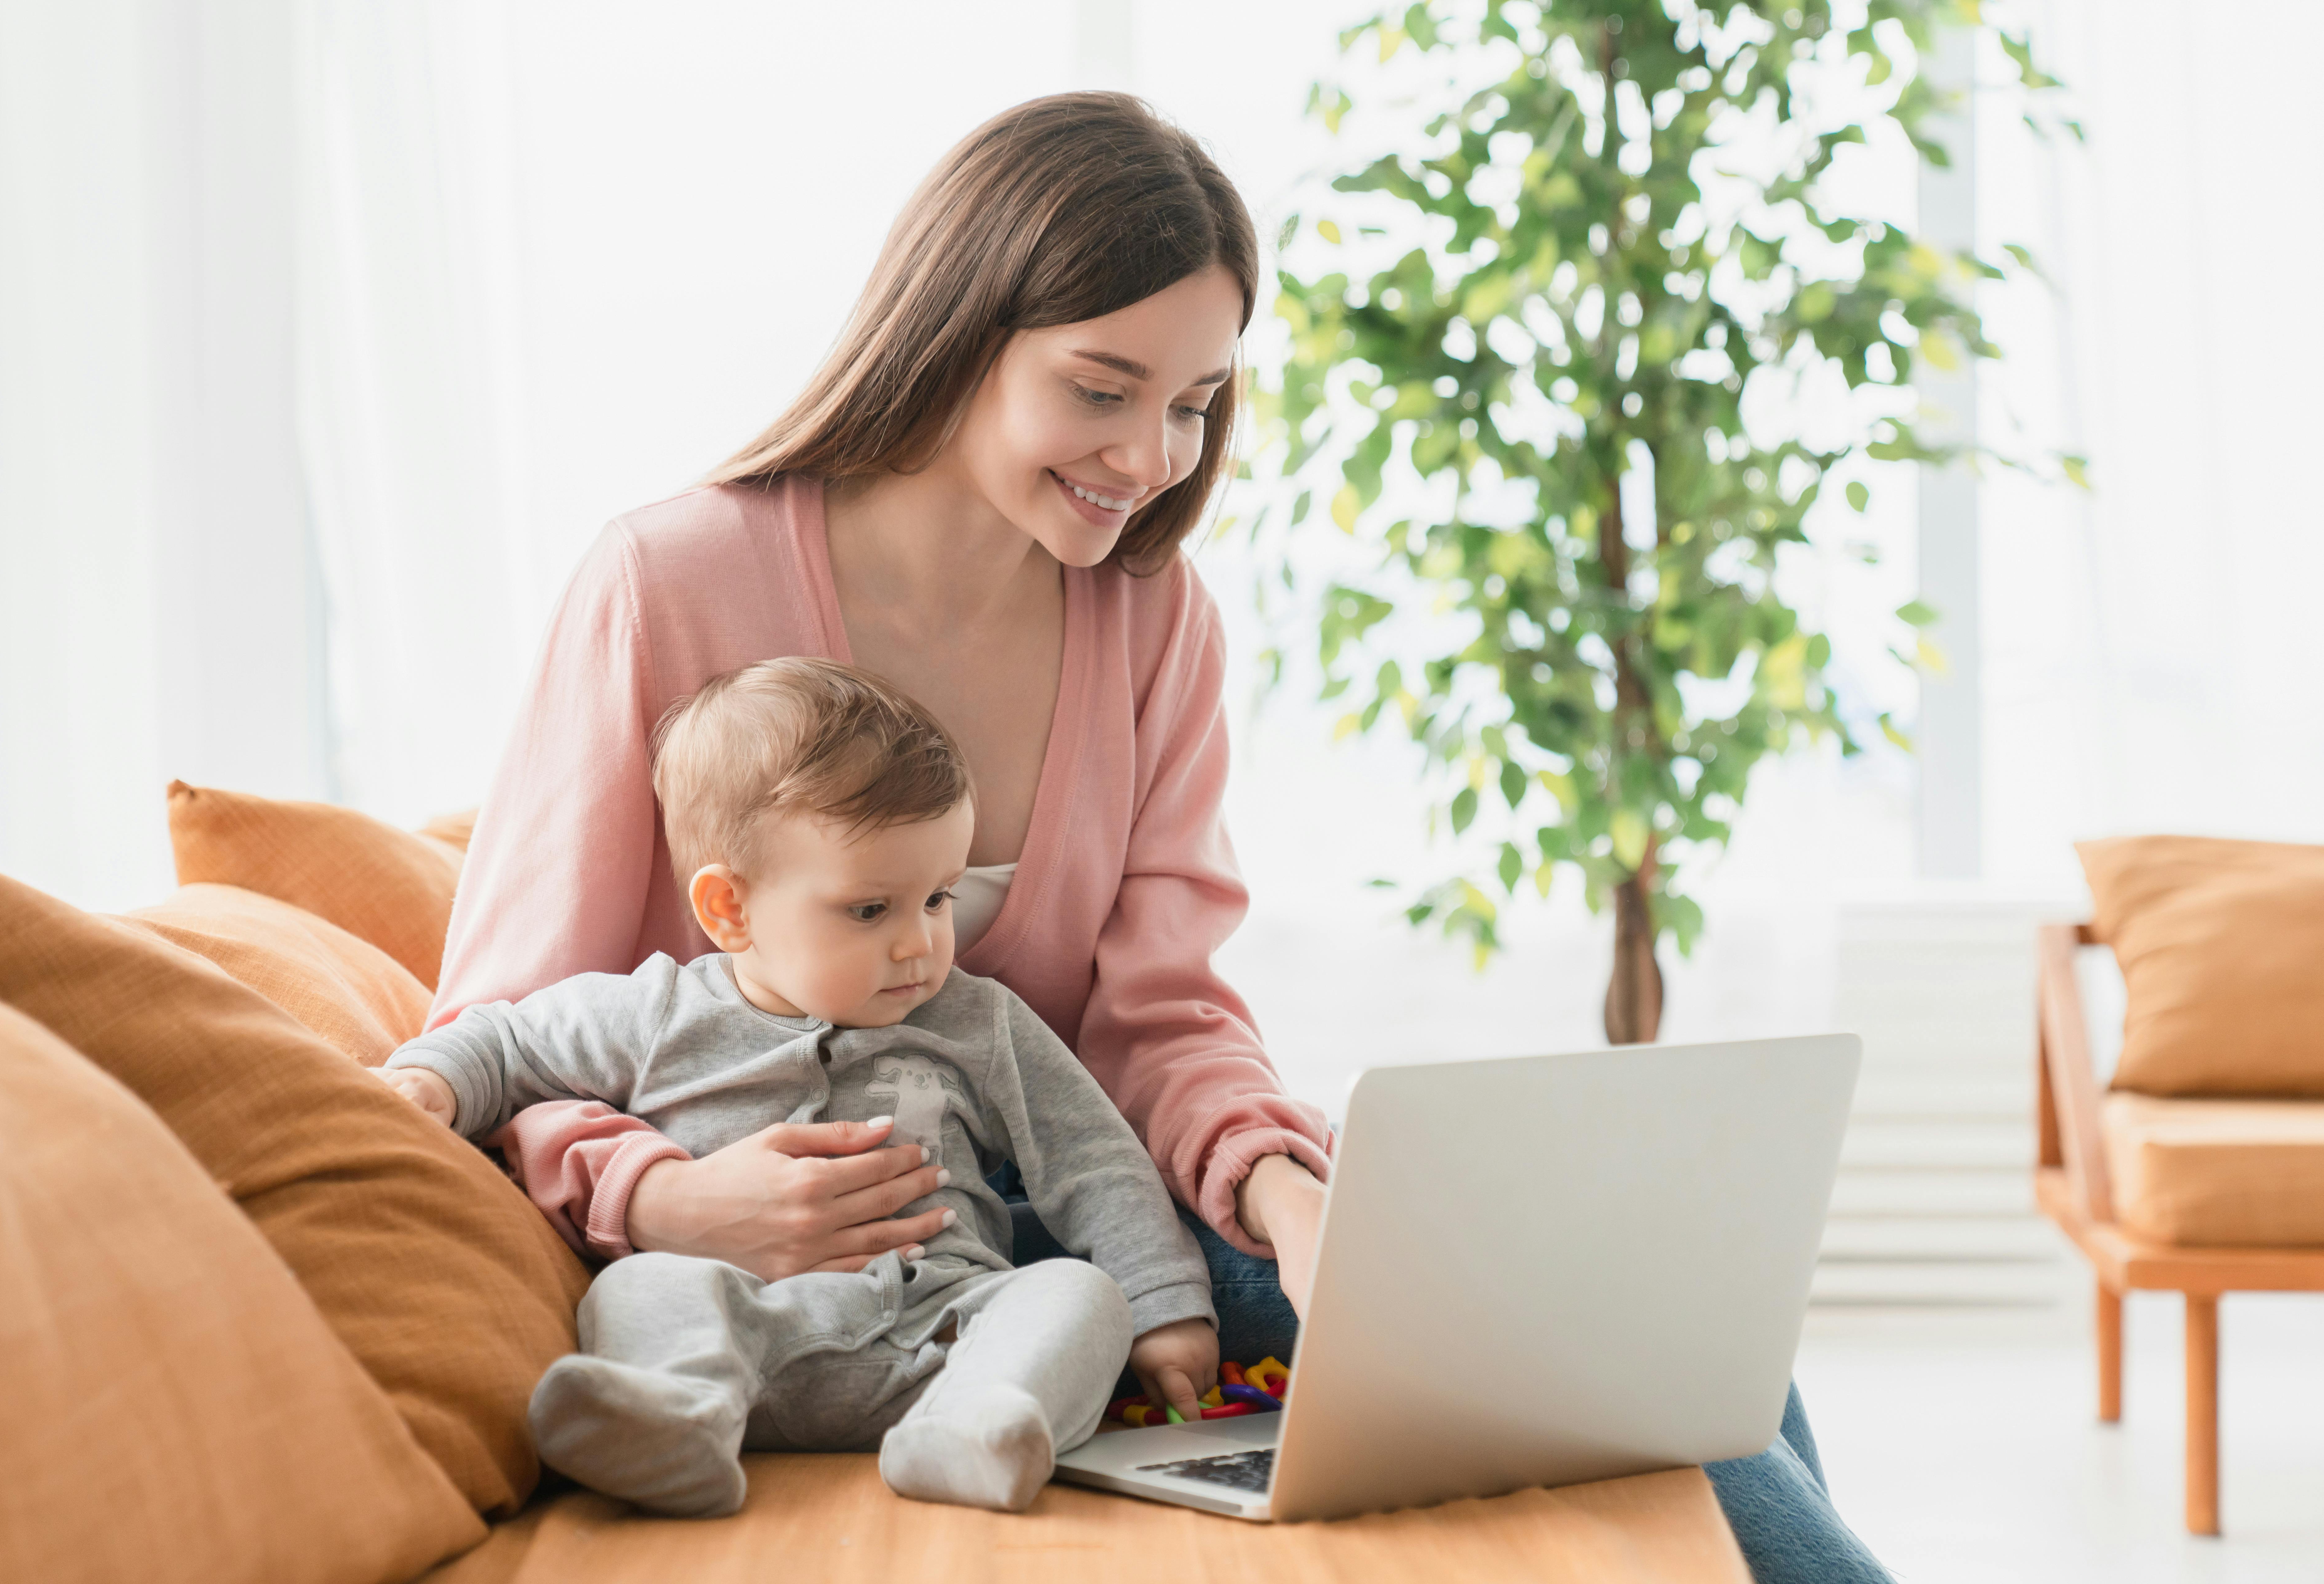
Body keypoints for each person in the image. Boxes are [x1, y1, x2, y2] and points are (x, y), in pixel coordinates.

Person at [431, 90, 1892, 1582]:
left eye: (1195, 403)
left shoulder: (1147, 615)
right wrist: (665, 1198)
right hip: (824, 1260)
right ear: (958, 331)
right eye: (1101, 389)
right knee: (1661, 1413)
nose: (1151, 458)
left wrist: (1291, 1195)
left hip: (1093, 1220)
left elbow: (1164, 1015)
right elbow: (502, 1019)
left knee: (1687, 1351)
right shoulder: (666, 582)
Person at [382, 659, 1215, 1515]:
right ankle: (672, 1422)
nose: (921, 944)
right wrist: (433, 1079)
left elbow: (1095, 1159)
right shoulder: (658, 1009)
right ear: (730, 910)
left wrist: (1165, 1305)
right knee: (641, 1288)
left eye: (938, 898)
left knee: (1081, 1294)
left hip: (945, 1330)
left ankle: (975, 1429)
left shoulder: (980, 1022)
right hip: (746, 1327)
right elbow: (508, 1037)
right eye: (870, 910)